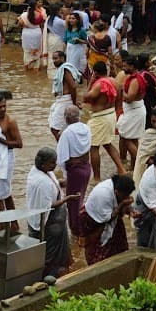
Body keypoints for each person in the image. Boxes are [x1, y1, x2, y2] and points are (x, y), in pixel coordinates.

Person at [25, 147, 73, 280]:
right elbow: (47, 206)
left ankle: (59, 271)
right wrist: (66, 199)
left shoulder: (42, 172)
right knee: (50, 254)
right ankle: (47, 277)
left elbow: (55, 184)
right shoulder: (42, 182)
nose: (55, 165)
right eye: (52, 162)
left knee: (60, 251)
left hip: (56, 221)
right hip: (49, 223)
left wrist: (65, 183)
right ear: (42, 164)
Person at [57, 105, 94, 249]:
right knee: (80, 199)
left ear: (66, 118)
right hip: (86, 168)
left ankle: (77, 234)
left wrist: (68, 171)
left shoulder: (67, 133)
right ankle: (79, 232)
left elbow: (62, 158)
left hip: (75, 171)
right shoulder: (86, 128)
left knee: (72, 204)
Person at [79, 173, 135, 265]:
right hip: (94, 219)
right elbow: (108, 218)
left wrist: (130, 210)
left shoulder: (118, 188)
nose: (127, 197)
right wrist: (122, 204)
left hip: (110, 214)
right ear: (117, 192)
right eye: (125, 195)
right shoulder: (104, 194)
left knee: (120, 246)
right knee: (97, 250)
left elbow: (121, 204)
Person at [0, 90, 23, 219]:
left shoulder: (10, 121)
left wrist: (3, 141)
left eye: (4, 106)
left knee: (0, 193)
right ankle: (12, 223)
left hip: (7, 157)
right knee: (1, 193)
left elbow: (19, 143)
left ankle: (4, 225)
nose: (2, 109)